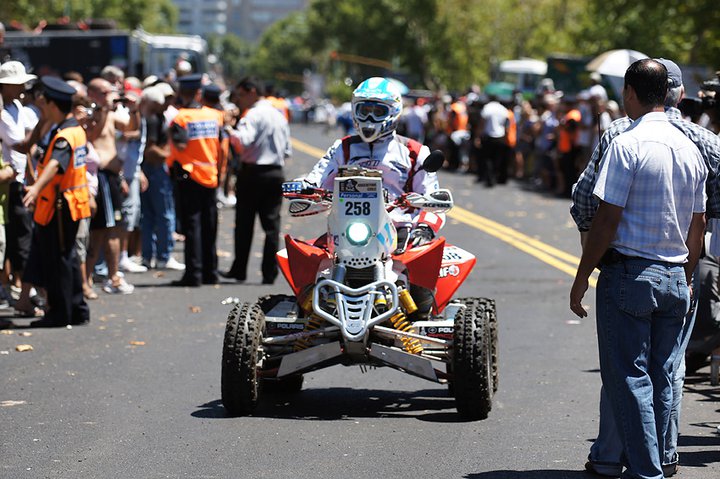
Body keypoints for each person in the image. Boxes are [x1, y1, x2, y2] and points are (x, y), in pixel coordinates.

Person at [571, 58, 720, 477]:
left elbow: (603, 217)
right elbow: (699, 223)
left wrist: (582, 276)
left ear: (630, 94)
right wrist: (688, 277)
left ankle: (645, 470)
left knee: (628, 378)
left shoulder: (624, 140)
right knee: (664, 373)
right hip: (676, 274)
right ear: (676, 94)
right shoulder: (695, 147)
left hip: (631, 275)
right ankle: (663, 458)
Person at [22, 76, 92, 328]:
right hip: (73, 203)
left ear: (53, 105)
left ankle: (60, 313)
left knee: (58, 260)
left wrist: (35, 188)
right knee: (69, 257)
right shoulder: (73, 130)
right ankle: (77, 309)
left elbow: (55, 164)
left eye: (44, 105)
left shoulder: (64, 136)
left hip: (60, 205)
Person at [223, 77, 290, 285]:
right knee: (272, 226)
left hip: (253, 173)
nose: (239, 101)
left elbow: (244, 140)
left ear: (252, 91)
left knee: (244, 223)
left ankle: (239, 269)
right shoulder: (279, 115)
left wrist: (228, 130)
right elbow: (287, 150)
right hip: (275, 172)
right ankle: (269, 273)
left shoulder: (252, 114)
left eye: (241, 95)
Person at [166, 73, 222, 286]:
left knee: (192, 226)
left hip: (189, 176)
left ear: (181, 93)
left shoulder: (181, 118)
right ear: (199, 92)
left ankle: (194, 274)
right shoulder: (215, 115)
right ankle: (211, 272)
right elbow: (222, 146)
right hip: (211, 175)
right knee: (209, 225)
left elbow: (179, 145)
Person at [0, 61, 40, 311]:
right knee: (17, 240)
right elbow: (21, 146)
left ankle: (22, 289)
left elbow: (25, 153)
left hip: (20, 181)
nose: (24, 86)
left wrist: (33, 179)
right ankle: (24, 292)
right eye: (18, 83)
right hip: (9, 184)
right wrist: (46, 125)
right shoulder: (3, 112)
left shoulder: (16, 106)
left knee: (20, 238)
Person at [139, 86, 184, 271]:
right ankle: (163, 255)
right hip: (155, 170)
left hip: (149, 169)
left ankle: (148, 256)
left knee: (149, 215)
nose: (169, 104)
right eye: (166, 99)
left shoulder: (154, 118)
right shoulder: (153, 120)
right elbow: (150, 150)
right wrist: (169, 154)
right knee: (164, 214)